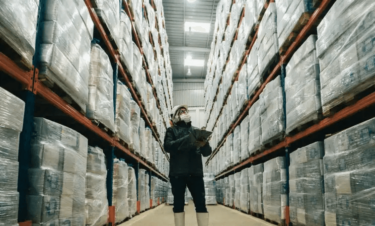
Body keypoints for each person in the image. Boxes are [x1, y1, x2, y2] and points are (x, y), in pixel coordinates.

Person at [164, 105, 212, 226]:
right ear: (174, 116)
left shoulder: (196, 131)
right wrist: (189, 139)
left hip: (195, 172)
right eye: (181, 111)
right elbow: (168, 146)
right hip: (178, 174)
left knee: (201, 203)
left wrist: (205, 143)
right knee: (178, 203)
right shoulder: (171, 131)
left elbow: (206, 153)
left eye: (185, 111)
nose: (184, 113)